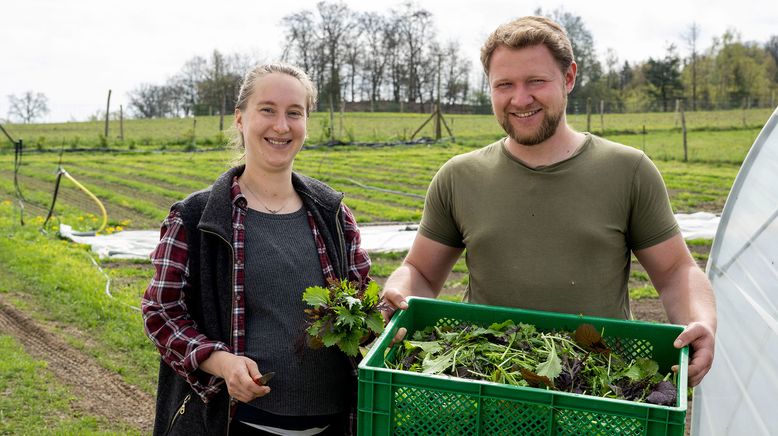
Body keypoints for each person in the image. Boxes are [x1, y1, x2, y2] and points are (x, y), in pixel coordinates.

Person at [381, 16, 716, 388]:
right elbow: (422, 272)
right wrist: (399, 291)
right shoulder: (459, 177)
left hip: (596, 387)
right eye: (504, 84)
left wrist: (700, 322)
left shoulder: (628, 171)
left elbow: (675, 272)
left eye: (536, 81)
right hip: (488, 379)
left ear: (569, 77)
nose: (520, 99)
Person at [142, 62, 370, 435]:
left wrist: (386, 321)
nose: (281, 126)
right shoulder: (198, 218)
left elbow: (359, 305)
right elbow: (160, 311)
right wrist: (220, 362)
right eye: (267, 110)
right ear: (239, 119)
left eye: (294, 113)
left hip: (333, 424)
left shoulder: (332, 213)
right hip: (239, 424)